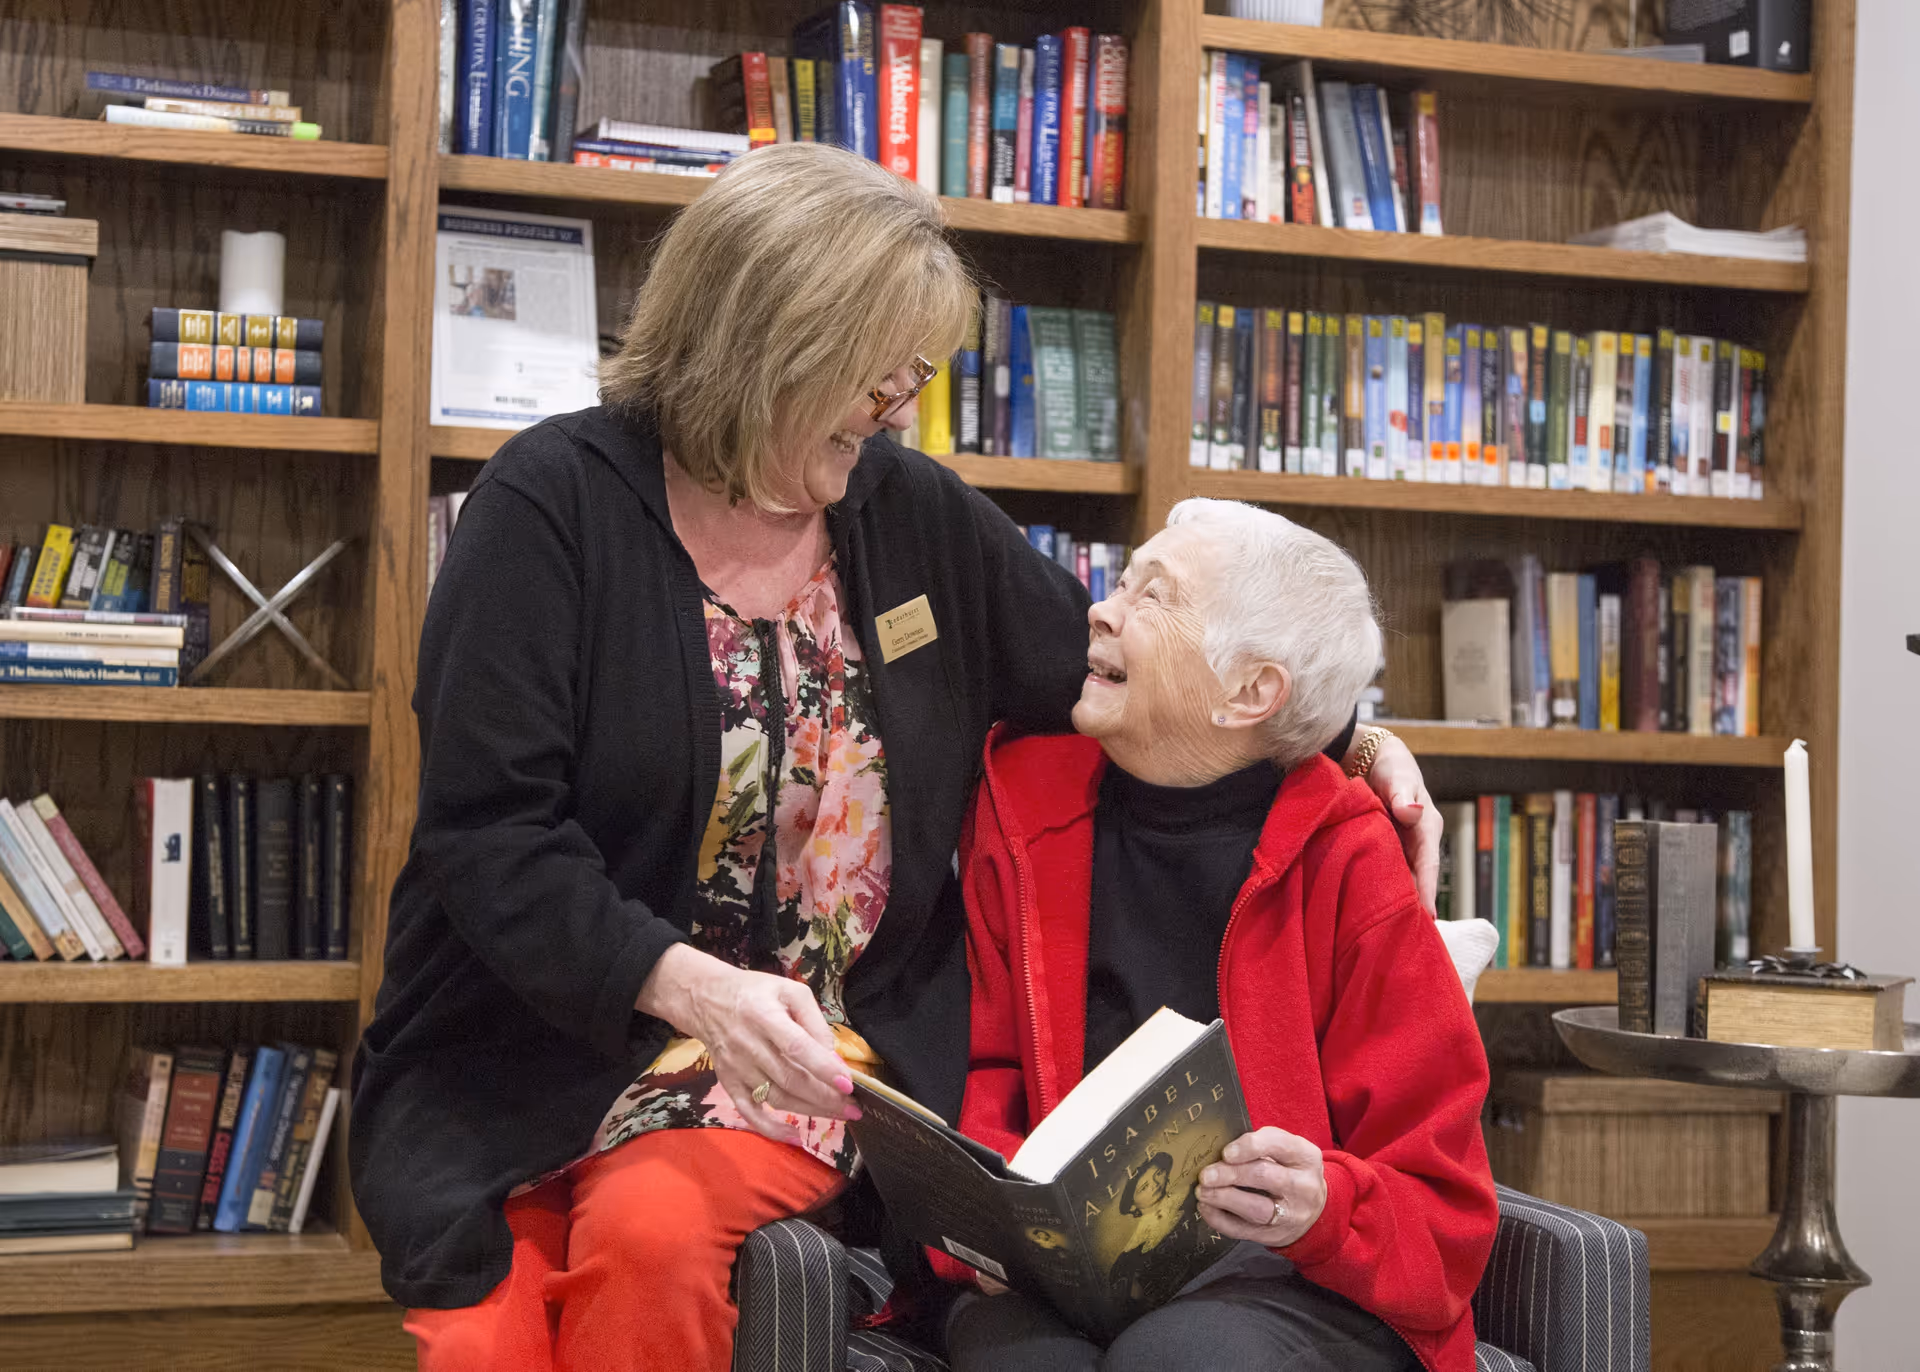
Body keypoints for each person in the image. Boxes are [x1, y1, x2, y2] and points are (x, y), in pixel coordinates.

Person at [349, 143, 1445, 1372]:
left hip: (827, 1070)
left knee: (651, 1236)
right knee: (496, 1334)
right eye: (882, 371)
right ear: (775, 345)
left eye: (915, 374)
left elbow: (1135, 680)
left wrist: (1352, 739)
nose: (900, 403)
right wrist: (689, 986)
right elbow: (488, 836)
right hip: (534, 1053)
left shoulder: (909, 513)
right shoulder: (548, 511)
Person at [943, 500, 1498, 1372]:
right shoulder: (1017, 808)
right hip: (1068, 1275)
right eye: (1122, 580)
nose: (1101, 608)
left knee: (1181, 1357)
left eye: (1154, 596)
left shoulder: (1351, 857)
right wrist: (990, 1227)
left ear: (1251, 694)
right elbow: (980, 1070)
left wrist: (1324, 1205)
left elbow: (1443, 1204)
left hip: (1298, 1276)